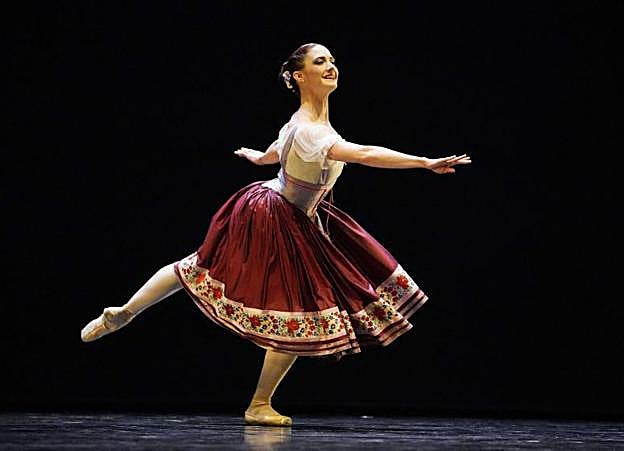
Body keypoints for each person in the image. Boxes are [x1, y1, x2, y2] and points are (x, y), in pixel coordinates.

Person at [80, 43, 471, 427]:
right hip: (276, 213)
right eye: (320, 61)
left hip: (288, 208)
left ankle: (126, 312)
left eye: (332, 60)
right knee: (294, 305)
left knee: (204, 267)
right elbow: (365, 154)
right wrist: (423, 162)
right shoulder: (312, 131)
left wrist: (259, 157)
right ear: (299, 76)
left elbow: (278, 148)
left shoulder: (302, 122)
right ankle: (257, 402)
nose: (331, 66)